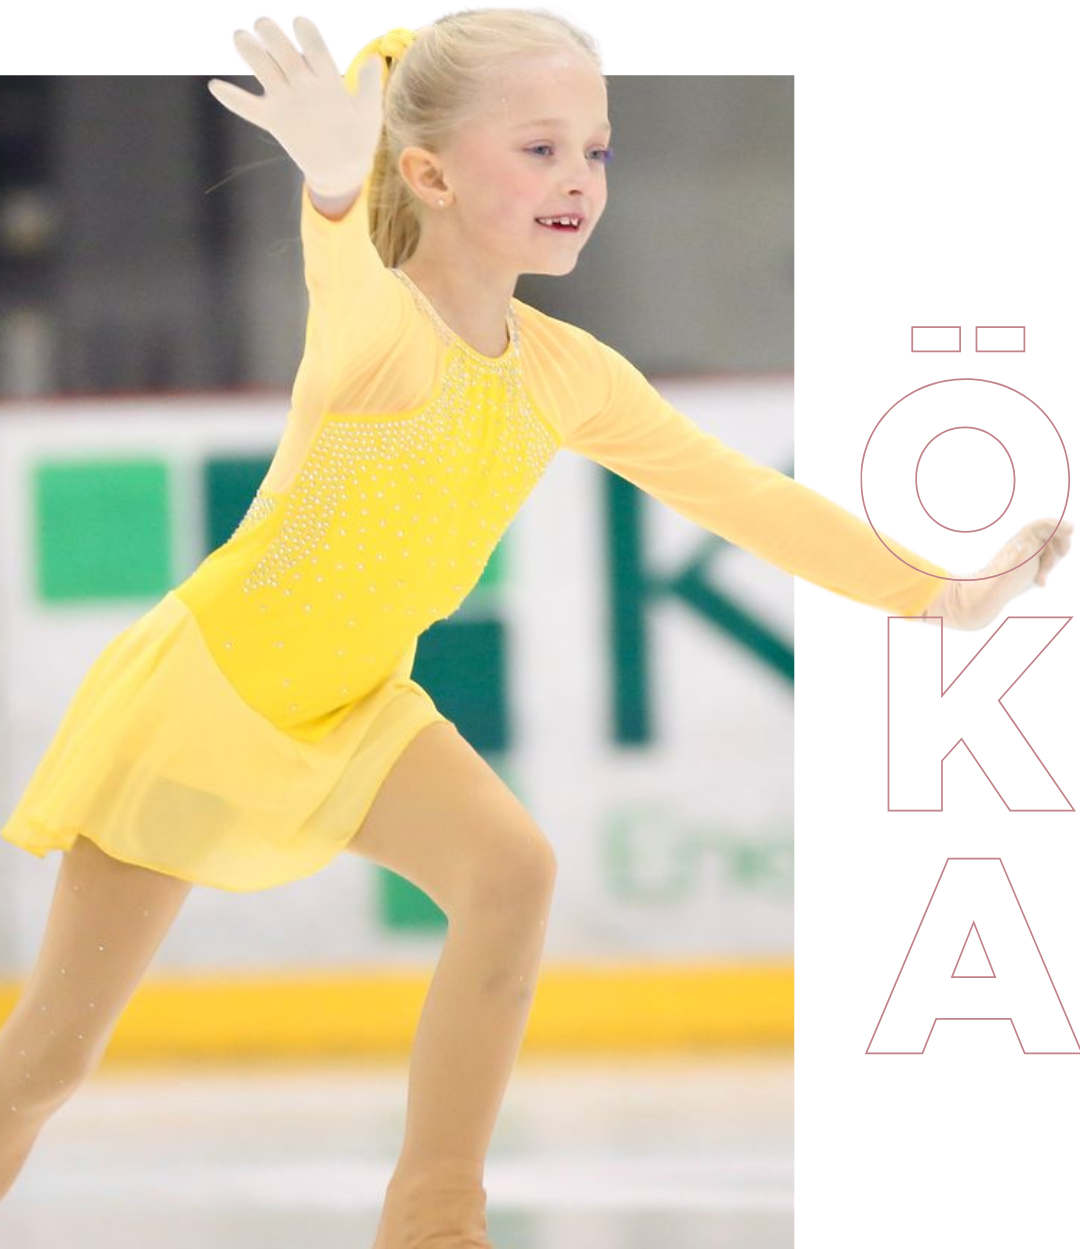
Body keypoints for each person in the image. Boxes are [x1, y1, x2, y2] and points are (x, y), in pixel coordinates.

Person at [0, 9, 1071, 1244]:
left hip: (351, 711)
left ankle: (438, 1218)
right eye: (541, 148)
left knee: (513, 874)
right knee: (43, 1068)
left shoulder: (567, 373)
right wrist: (335, 185)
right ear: (432, 174)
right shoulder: (385, 337)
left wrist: (941, 593)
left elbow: (747, 497)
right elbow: (337, 273)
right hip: (205, 706)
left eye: (596, 152)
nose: (578, 180)